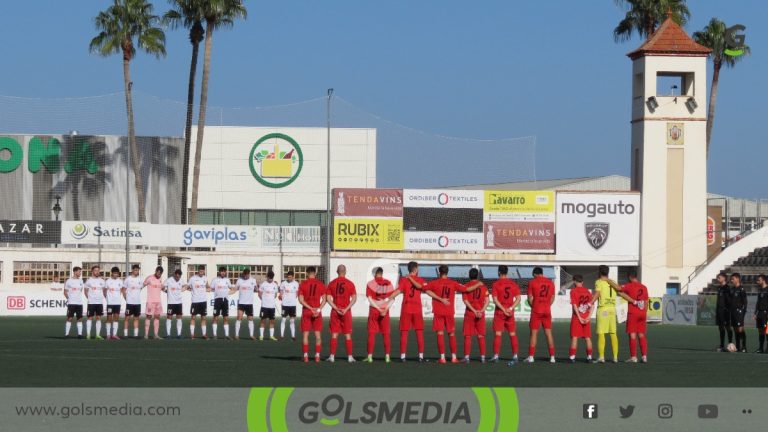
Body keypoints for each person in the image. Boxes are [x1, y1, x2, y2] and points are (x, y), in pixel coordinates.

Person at [424, 265, 480, 364]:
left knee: (440, 333)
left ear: (439, 272)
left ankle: (442, 358)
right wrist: (478, 284)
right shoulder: (453, 283)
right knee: (452, 334)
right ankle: (454, 357)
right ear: (447, 272)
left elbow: (425, 289)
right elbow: (466, 290)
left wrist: (440, 299)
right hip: (449, 311)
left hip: (438, 311)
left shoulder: (434, 283)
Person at [389, 261, 427, 362]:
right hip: (417, 309)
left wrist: (388, 297)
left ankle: (402, 356)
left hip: (406, 308)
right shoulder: (420, 279)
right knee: (419, 332)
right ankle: (421, 356)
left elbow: (397, 292)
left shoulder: (404, 280)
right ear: (415, 269)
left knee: (404, 333)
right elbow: (423, 287)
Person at [325, 265, 357, 363]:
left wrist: (335, 308)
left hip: (335, 311)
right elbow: (354, 298)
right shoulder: (350, 283)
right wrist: (346, 308)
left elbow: (328, 298)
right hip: (346, 312)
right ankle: (350, 357)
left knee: (334, 334)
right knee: (347, 334)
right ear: (345, 271)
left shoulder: (332, 283)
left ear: (337, 271)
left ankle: (332, 356)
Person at [524, 267, 556, 363]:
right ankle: (552, 357)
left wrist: (533, 306)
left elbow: (530, 298)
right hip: (547, 310)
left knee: (534, 333)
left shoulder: (532, 282)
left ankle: (531, 357)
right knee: (548, 333)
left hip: (536, 310)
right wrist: (547, 305)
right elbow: (553, 297)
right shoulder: (550, 282)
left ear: (535, 274)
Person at [491, 265, 521, 362]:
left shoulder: (496, 284)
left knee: (498, 334)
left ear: (499, 272)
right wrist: (510, 308)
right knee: (512, 334)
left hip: (500, 311)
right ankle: (515, 355)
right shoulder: (513, 284)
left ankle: (496, 356)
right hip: (510, 312)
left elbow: (495, 300)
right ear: (507, 272)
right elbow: (518, 298)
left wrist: (503, 309)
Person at [365, 267, 395, 363]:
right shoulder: (389, 282)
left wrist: (377, 308)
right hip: (385, 310)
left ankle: (370, 357)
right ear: (382, 273)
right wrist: (385, 309)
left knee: (372, 333)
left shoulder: (370, 283)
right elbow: (392, 298)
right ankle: (387, 357)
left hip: (374, 310)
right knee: (386, 334)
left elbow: (369, 298)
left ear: (375, 274)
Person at [618, 271, 649, 363]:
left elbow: (620, 291)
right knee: (641, 334)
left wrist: (631, 300)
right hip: (642, 313)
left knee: (632, 334)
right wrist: (644, 312)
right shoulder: (644, 287)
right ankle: (644, 356)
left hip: (633, 313)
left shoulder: (629, 286)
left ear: (630, 277)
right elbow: (646, 301)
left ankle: (633, 357)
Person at [298, 267, 327, 363]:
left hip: (307, 311)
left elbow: (301, 300)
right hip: (317, 312)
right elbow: (324, 299)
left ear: (307, 273)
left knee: (305, 335)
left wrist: (310, 308)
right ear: (315, 273)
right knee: (318, 335)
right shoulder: (320, 284)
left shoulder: (303, 284)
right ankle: (317, 356)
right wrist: (318, 309)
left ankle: (305, 356)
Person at [592, 265, 620, 363]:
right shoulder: (613, 282)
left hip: (603, 309)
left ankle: (601, 357)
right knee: (613, 333)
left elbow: (597, 294)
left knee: (601, 333)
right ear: (608, 272)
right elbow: (619, 291)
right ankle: (615, 357)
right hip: (612, 309)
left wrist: (589, 303)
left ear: (599, 272)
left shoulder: (599, 282)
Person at [462, 268, 489, 363]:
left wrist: (473, 311)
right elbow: (487, 301)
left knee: (468, 336)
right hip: (481, 314)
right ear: (477, 275)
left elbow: (465, 301)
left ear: (469, 275)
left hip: (470, 313)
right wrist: (481, 311)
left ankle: (467, 357)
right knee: (481, 336)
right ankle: (482, 357)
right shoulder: (483, 287)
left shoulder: (465, 286)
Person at [568, 275, 593, 363]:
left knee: (575, 337)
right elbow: (592, 306)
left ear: (574, 281)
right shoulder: (588, 291)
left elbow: (575, 305)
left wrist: (579, 317)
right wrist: (588, 317)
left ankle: (572, 357)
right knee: (587, 338)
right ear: (582, 282)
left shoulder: (573, 291)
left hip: (577, 318)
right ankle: (589, 357)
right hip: (586, 317)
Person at [210, 266, 235, 339]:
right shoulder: (215, 280)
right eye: (221, 271)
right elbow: (211, 288)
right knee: (215, 318)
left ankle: (227, 335)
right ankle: (215, 335)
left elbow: (231, 288)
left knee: (226, 318)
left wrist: (230, 292)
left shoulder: (227, 280)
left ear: (225, 272)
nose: (223, 273)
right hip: (217, 300)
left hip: (225, 300)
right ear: (219, 272)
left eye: (224, 271)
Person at [163, 269, 187, 339]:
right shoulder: (169, 280)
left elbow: (186, 285)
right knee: (169, 318)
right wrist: (166, 291)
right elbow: (162, 286)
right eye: (176, 276)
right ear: (174, 275)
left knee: (179, 318)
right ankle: (168, 334)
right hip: (171, 303)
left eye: (179, 277)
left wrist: (183, 289)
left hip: (179, 303)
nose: (177, 278)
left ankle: (179, 334)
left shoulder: (181, 280)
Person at [234, 268, 257, 340]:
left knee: (250, 319)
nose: (246, 275)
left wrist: (257, 288)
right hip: (241, 302)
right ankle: (236, 335)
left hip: (249, 303)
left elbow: (256, 289)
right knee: (239, 318)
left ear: (249, 274)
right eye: (245, 274)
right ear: (243, 273)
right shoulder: (239, 280)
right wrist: (228, 292)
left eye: (247, 274)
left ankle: (251, 335)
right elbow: (235, 289)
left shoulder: (253, 280)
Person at [84, 265, 106, 340]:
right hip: (91, 302)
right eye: (96, 270)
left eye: (98, 270)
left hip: (99, 302)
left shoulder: (102, 281)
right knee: (90, 317)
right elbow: (85, 291)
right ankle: (88, 334)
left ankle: (97, 335)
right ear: (92, 271)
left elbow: (104, 290)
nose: (97, 272)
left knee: (99, 317)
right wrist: (90, 298)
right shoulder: (89, 281)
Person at [188, 266, 210, 339]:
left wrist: (210, 288)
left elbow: (207, 286)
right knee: (193, 317)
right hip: (195, 301)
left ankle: (204, 334)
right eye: (200, 270)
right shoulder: (192, 278)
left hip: (203, 301)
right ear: (198, 271)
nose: (201, 272)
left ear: (204, 271)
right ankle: (192, 334)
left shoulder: (205, 278)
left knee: (203, 318)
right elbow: (188, 286)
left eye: (202, 271)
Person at [143, 266, 164, 340]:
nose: (159, 275)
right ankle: (146, 335)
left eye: (160, 274)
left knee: (157, 317)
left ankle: (156, 335)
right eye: (158, 273)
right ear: (156, 271)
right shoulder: (149, 278)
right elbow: (143, 285)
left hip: (158, 301)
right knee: (148, 316)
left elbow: (162, 288)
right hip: (150, 301)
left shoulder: (160, 279)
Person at [63, 267, 85, 339]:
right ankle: (66, 334)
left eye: (80, 272)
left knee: (79, 318)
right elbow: (65, 292)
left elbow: (80, 290)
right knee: (69, 318)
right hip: (71, 303)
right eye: (79, 272)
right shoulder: (68, 281)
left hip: (79, 303)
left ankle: (80, 334)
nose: (80, 273)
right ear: (75, 272)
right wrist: (70, 299)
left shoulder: (81, 281)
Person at [122, 265, 143, 338]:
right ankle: (125, 334)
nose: (137, 271)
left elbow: (140, 288)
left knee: (136, 318)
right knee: (127, 318)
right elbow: (123, 290)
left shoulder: (140, 279)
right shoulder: (128, 279)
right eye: (136, 270)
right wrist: (126, 299)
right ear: (132, 270)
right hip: (130, 303)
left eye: (138, 270)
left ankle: (136, 334)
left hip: (137, 302)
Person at [258, 270, 280, 341]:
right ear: (267, 277)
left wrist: (270, 300)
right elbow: (259, 294)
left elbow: (275, 295)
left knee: (272, 321)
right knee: (263, 321)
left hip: (272, 307)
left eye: (271, 278)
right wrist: (264, 300)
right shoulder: (263, 284)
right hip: (264, 306)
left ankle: (271, 336)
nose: (270, 279)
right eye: (269, 277)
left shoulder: (275, 285)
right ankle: (261, 336)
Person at [714, 272, 733, 352]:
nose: (718, 279)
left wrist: (727, 309)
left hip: (725, 311)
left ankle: (730, 344)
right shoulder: (719, 288)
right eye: (718, 278)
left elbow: (729, 300)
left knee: (728, 327)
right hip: (719, 310)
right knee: (720, 327)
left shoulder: (727, 288)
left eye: (719, 277)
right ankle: (722, 345)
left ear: (724, 278)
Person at [278, 271, 299, 340]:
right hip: (285, 304)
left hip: (292, 305)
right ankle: (281, 336)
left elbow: (297, 293)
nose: (289, 278)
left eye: (290, 277)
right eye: (288, 277)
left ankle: (293, 336)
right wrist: (280, 296)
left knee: (292, 321)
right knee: (283, 320)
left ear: (293, 277)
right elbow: (280, 292)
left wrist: (292, 298)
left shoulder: (296, 284)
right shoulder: (283, 283)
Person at [104, 266, 124, 340]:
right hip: (110, 303)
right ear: (112, 273)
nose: (116, 274)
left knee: (116, 318)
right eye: (114, 273)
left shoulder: (120, 281)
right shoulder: (108, 281)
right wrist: (107, 298)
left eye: (117, 273)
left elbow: (122, 290)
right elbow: (104, 291)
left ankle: (114, 334)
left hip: (117, 303)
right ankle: (108, 335)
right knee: (109, 318)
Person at [730, 273, 748, 353]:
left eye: (733, 279)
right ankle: (737, 346)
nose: (731, 280)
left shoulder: (742, 289)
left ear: (737, 279)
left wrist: (742, 312)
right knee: (735, 329)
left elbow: (745, 302)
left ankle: (744, 347)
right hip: (733, 312)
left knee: (740, 329)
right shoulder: (732, 289)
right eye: (731, 279)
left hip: (739, 312)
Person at [755, 275, 768, 353]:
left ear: (763, 280)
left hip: (766, 313)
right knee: (760, 331)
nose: (757, 281)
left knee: (767, 331)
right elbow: (758, 302)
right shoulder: (760, 290)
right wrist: (755, 313)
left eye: (759, 280)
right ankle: (760, 348)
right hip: (760, 313)